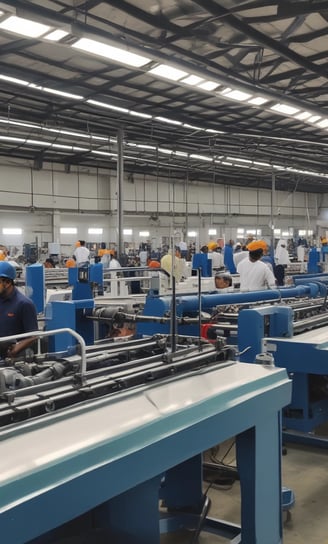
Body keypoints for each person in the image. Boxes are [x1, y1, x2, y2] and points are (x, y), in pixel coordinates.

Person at [0, 261, 38, 360]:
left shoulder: (24, 304)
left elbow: (33, 336)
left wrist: (16, 348)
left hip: (11, 358)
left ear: (7, 283)